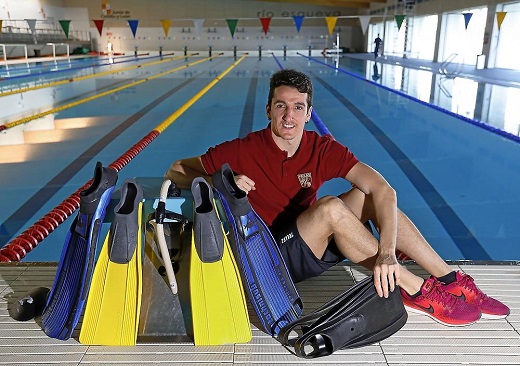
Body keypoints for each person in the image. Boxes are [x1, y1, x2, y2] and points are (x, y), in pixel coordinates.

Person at [165, 69, 509, 326]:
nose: (289, 116)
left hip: (310, 243)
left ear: (309, 113)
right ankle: (419, 291)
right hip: (270, 256)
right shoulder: (243, 150)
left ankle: (450, 280)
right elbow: (176, 170)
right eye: (281, 106)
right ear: (268, 109)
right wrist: (222, 181)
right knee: (330, 208)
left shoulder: (321, 148)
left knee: (369, 196)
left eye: (298, 107)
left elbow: (384, 190)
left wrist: (387, 251)